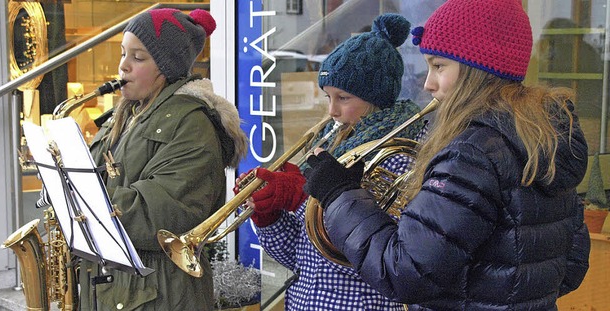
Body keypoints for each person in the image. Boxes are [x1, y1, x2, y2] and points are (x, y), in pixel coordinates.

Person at [303, 0, 591, 310]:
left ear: (477, 69)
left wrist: (339, 194)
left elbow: (405, 273)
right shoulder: (542, 137)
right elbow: (570, 268)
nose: (428, 84)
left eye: (439, 66)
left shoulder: (472, 154)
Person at [235, 14, 426, 311]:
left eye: (343, 98)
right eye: (327, 97)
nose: (331, 111)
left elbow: (373, 258)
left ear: (375, 98)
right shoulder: (329, 144)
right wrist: (268, 216)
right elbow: (301, 256)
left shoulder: (399, 157)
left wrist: (301, 199)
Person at [75, 8, 248, 311]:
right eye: (122, 53)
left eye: (138, 58)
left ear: (167, 67)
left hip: (162, 293)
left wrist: (76, 197)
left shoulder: (192, 124)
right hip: (121, 287)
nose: (123, 66)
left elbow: (162, 213)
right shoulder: (128, 112)